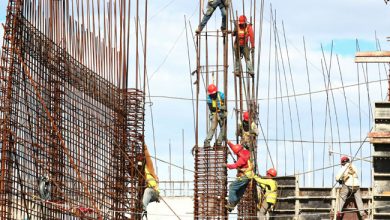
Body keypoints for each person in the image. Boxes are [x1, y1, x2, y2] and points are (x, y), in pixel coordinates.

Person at [225, 141, 254, 212]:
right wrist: (228, 143)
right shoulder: (246, 152)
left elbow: (234, 166)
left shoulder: (241, 159)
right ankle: (232, 204)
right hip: (249, 176)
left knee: (232, 187)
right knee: (240, 192)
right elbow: (235, 148)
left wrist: (226, 165)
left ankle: (232, 203)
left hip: (245, 176)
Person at [204, 84, 226, 148]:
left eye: (213, 93)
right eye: (211, 94)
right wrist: (220, 108)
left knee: (223, 129)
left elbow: (224, 103)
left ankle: (218, 143)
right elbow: (212, 108)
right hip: (214, 114)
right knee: (213, 128)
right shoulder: (208, 98)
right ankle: (207, 142)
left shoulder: (221, 95)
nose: (212, 95)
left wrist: (223, 108)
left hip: (221, 113)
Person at [142, 145, 160, 218]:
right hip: (147, 195)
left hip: (154, 192)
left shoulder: (149, 168)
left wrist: (145, 148)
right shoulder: (140, 173)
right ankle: (142, 210)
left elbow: (148, 158)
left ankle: (143, 209)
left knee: (148, 190)